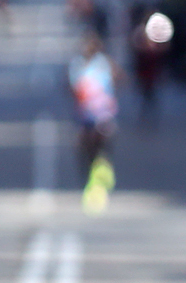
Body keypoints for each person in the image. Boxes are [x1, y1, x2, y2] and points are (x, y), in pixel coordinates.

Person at [68, 29, 120, 212]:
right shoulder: (78, 65)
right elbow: (73, 87)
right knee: (85, 152)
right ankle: (92, 180)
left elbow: (117, 79)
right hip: (85, 117)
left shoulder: (104, 64)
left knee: (102, 149)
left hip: (103, 115)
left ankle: (102, 176)